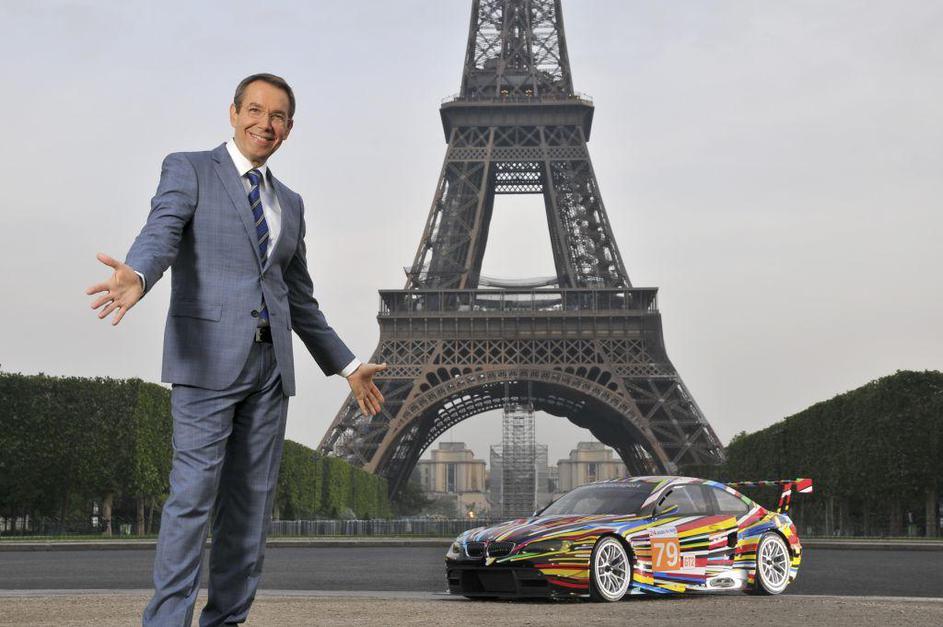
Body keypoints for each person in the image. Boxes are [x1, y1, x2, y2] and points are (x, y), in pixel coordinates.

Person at [85, 73, 386, 626]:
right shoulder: (189, 168)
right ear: (233, 112)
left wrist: (347, 365)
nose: (264, 124)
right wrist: (140, 275)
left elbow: (299, 298)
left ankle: (226, 621)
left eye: (277, 117)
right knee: (191, 502)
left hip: (270, 371)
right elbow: (161, 231)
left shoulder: (290, 203)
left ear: (288, 129)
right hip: (206, 360)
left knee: (251, 512)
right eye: (255, 110)